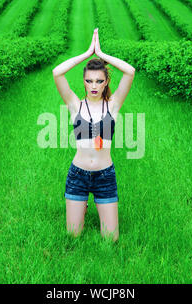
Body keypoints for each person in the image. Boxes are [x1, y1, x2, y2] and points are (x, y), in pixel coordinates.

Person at [52, 28, 135, 242]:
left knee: (111, 239)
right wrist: (88, 53)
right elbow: (57, 72)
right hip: (78, 175)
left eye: (99, 81)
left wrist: (102, 54)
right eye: (89, 81)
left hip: (104, 176)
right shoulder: (74, 105)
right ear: (84, 82)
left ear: (106, 82)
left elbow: (130, 71)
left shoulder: (113, 106)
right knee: (72, 235)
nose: (94, 86)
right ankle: (81, 204)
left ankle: (96, 201)